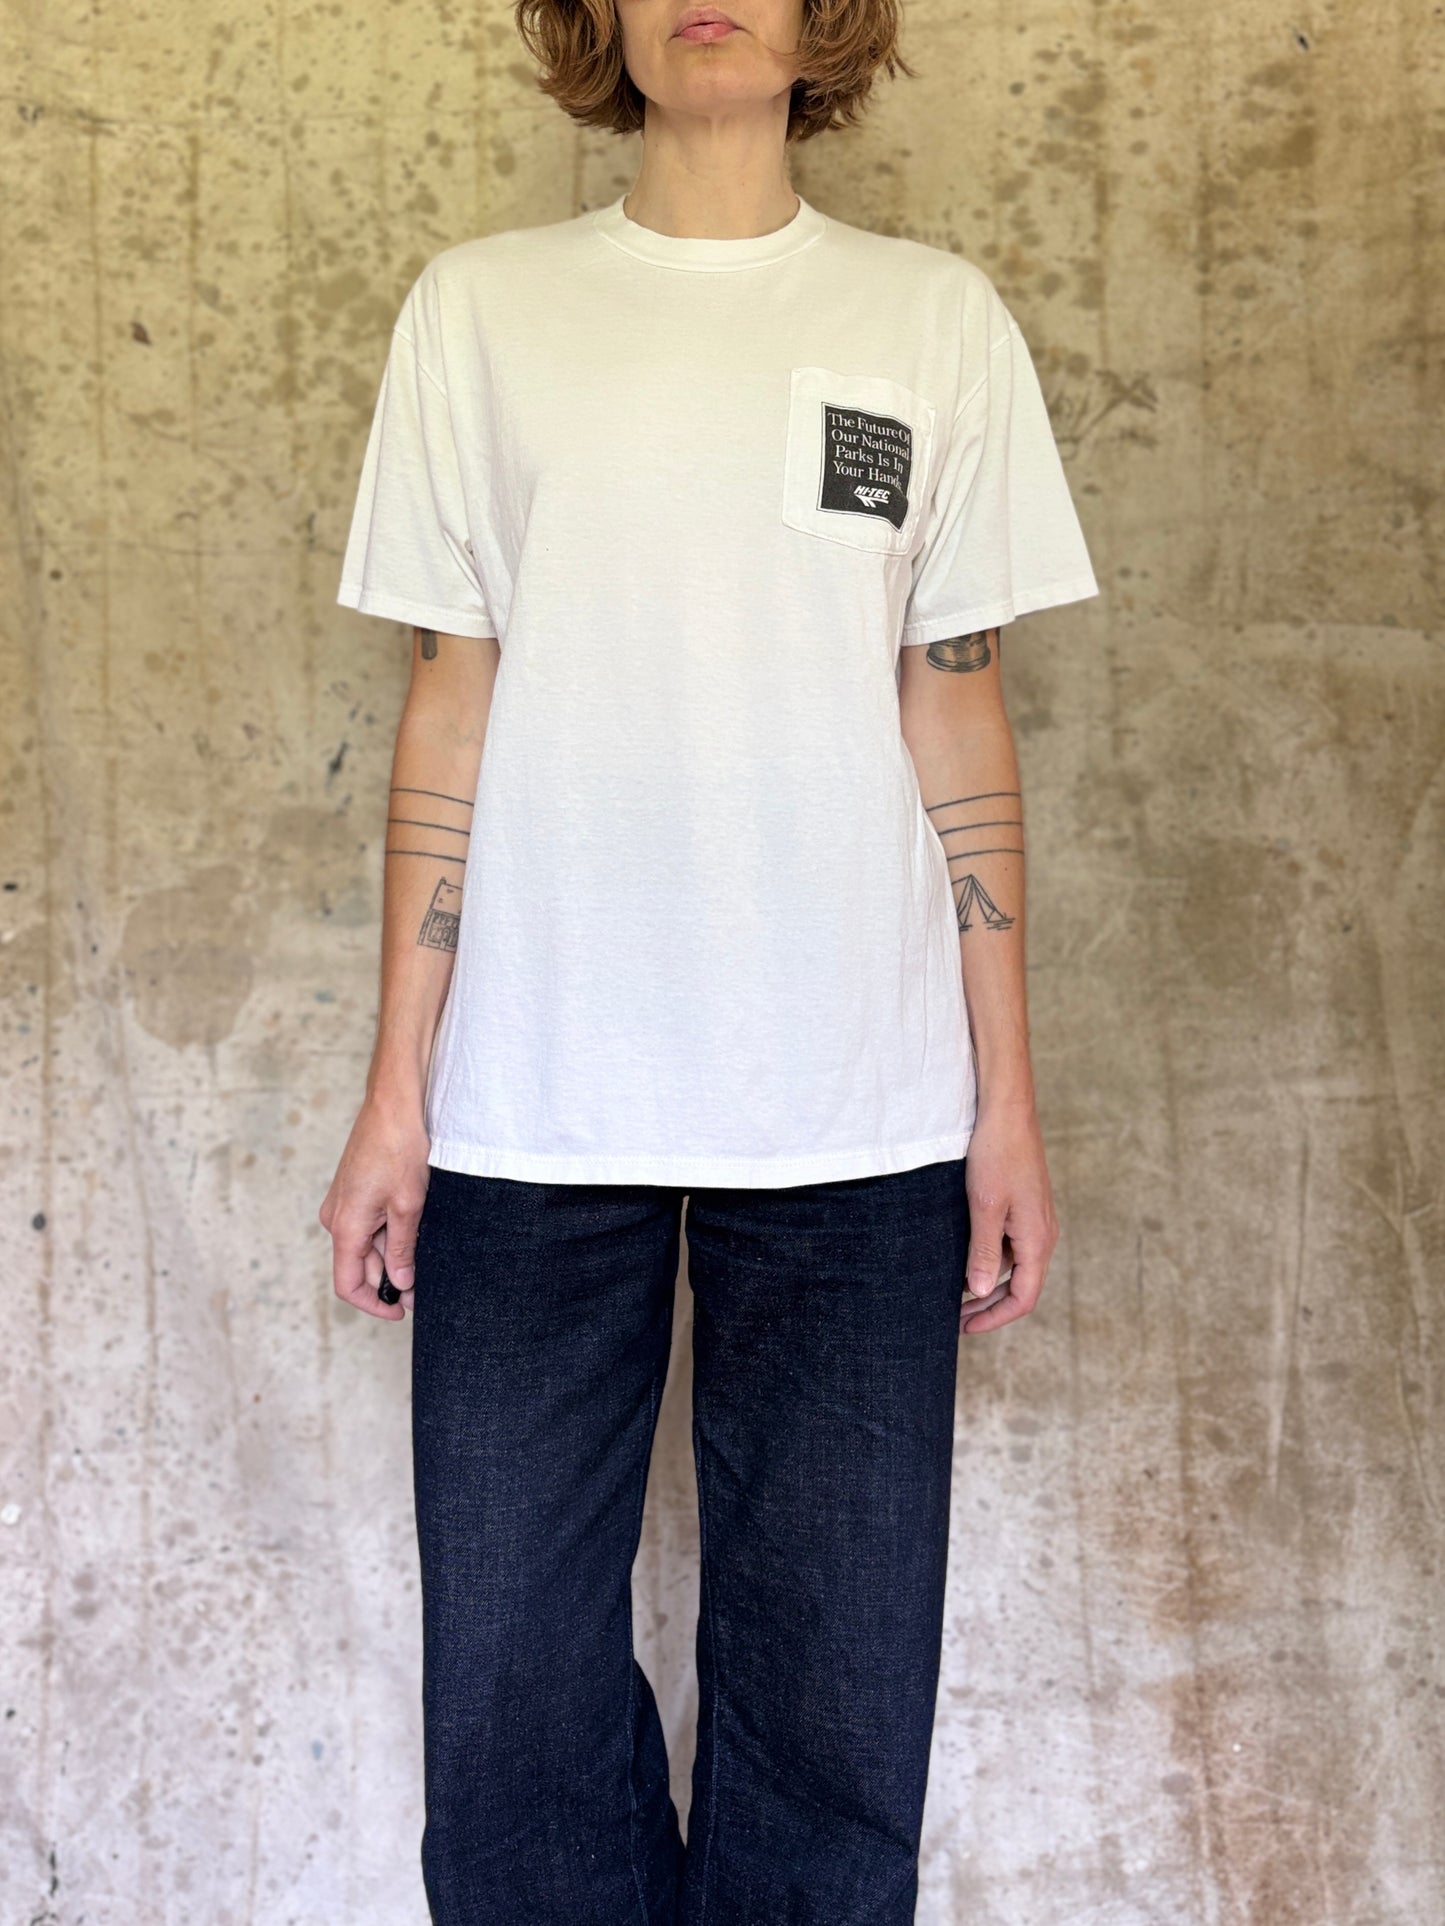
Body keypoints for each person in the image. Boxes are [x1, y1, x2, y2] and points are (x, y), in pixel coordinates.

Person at [318, 0, 1099, 1918]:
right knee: (508, 1698)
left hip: (860, 1110)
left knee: (832, 1709)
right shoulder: (480, 312)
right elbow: (445, 708)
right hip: (528, 1105)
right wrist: (396, 1095)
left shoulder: (931, 320)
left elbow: (956, 714)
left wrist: (1004, 1104)